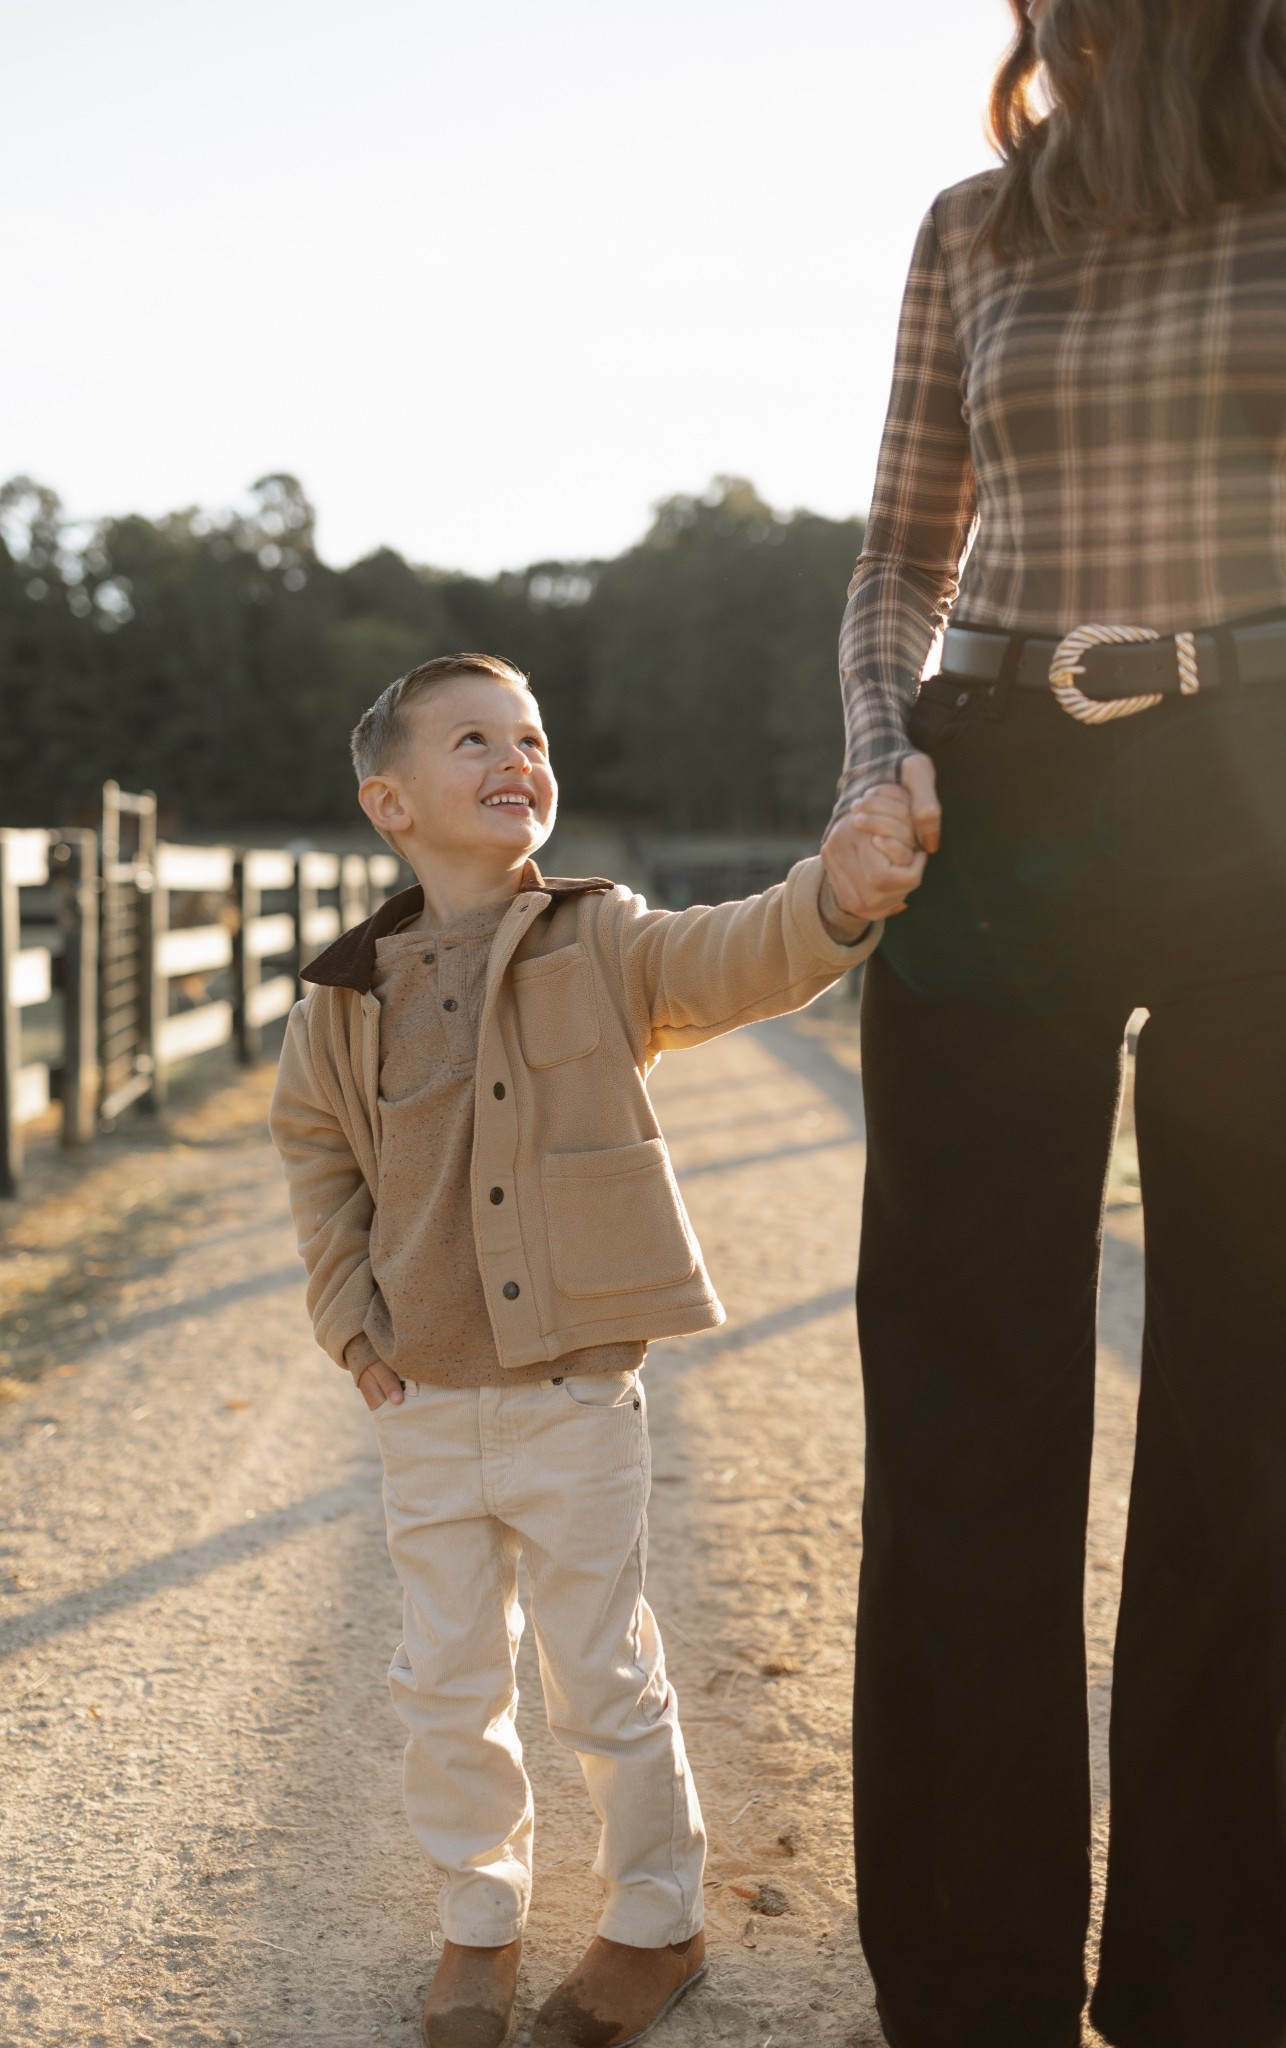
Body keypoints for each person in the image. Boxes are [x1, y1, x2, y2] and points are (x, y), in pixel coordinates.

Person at [817, 3, 1286, 2045]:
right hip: (994, 788)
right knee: (960, 1398)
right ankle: (967, 1986)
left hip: (1264, 782)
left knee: (1253, 1409)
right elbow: (897, 555)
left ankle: (1216, 1986)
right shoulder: (975, 225)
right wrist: (872, 759)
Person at [269, 652, 899, 2048]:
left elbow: (735, 951)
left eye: (534, 738)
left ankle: (656, 1920)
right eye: (474, 740)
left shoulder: (601, 943)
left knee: (602, 1672)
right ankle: (477, 1918)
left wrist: (835, 895)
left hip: (571, 1394)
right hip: (423, 1400)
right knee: (444, 1683)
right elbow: (316, 1159)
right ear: (389, 803)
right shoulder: (341, 1002)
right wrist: (349, 1327)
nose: (518, 758)